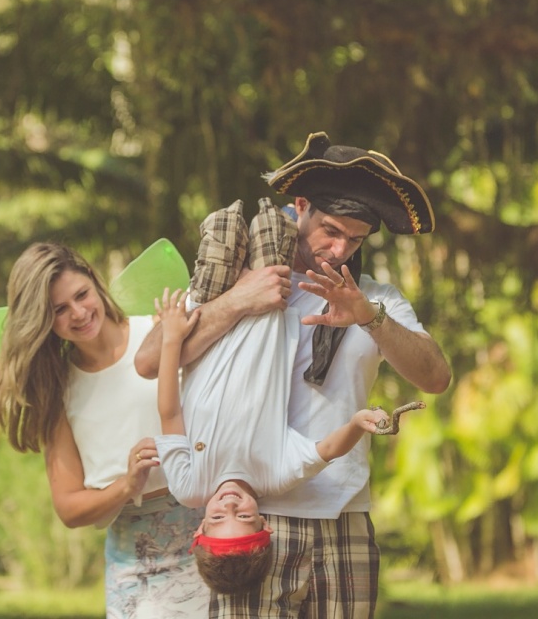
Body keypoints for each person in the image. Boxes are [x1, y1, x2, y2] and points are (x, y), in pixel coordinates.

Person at [136, 132, 452, 618]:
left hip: (344, 513)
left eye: (355, 239)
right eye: (330, 230)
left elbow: (435, 377)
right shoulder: (239, 278)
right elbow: (149, 360)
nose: (339, 249)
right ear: (300, 206)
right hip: (253, 515)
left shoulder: (375, 298)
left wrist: (368, 317)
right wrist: (239, 300)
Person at [151, 198, 395, 596]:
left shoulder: (189, 486)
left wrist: (172, 340)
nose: (229, 504)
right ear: (264, 523)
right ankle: (293, 205)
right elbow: (326, 450)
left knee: (222, 228)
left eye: (218, 517)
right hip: (270, 308)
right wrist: (355, 423)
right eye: (244, 516)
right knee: (274, 226)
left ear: (200, 525)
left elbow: (168, 412)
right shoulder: (274, 476)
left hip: (216, 304)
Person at [0, 242, 209, 619]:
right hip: (136, 569)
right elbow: (69, 507)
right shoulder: (58, 390)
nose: (79, 313)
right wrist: (126, 485)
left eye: (81, 295)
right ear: (42, 320)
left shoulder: (159, 332)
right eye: (58, 310)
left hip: (211, 535)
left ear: (93, 279)